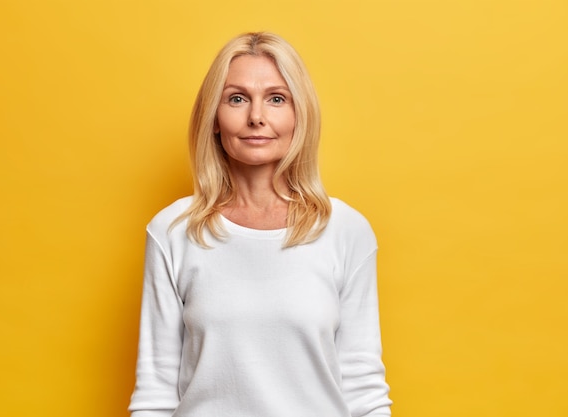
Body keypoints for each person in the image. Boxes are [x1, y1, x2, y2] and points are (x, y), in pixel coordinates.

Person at [129, 32, 392, 417]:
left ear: (299, 115)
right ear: (213, 119)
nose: (256, 116)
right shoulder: (172, 231)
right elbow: (155, 394)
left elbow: (363, 388)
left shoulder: (345, 231)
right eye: (237, 98)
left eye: (276, 98)